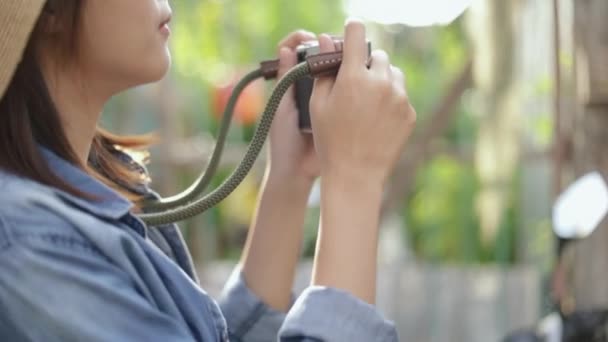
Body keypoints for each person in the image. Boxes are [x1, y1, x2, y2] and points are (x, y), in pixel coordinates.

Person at [0, 1, 416, 341]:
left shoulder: (88, 192)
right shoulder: (29, 245)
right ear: (49, 11)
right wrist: (353, 183)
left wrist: (289, 177)